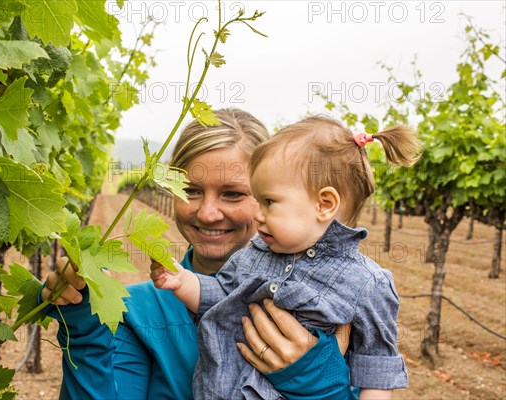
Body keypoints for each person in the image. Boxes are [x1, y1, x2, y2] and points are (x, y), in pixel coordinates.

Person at [40, 109, 351, 399]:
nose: (208, 213)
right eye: (190, 191)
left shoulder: (329, 303)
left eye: (233, 194)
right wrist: (83, 329)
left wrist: (319, 380)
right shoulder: (135, 313)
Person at [152, 115, 419, 399]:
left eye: (268, 202)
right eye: (191, 191)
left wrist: (322, 385)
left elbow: (375, 368)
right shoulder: (254, 254)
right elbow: (220, 293)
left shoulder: (367, 283)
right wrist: (183, 282)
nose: (258, 213)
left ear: (324, 204)